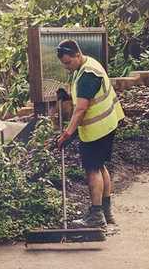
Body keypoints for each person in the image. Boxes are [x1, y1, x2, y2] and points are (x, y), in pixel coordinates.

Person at [54, 39, 126, 228]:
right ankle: (106, 211)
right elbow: (85, 96)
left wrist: (67, 134)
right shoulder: (88, 64)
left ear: (78, 55)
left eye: (69, 62)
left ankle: (96, 215)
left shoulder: (87, 75)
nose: (67, 67)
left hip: (98, 128)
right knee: (100, 166)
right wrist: (68, 96)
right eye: (64, 64)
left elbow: (80, 110)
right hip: (107, 123)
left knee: (92, 169)